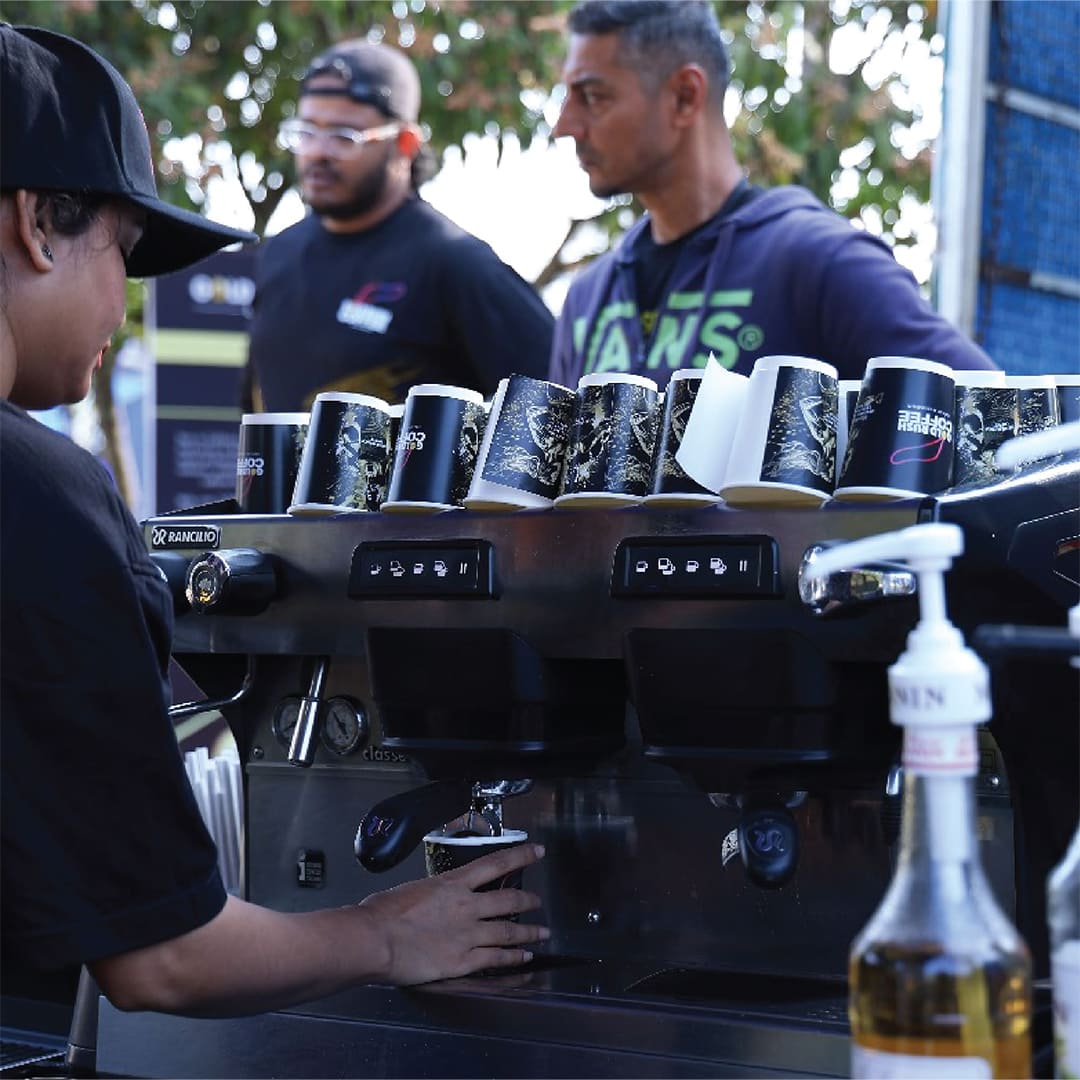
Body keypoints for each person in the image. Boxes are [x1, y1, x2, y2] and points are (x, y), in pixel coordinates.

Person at [0, 23, 548, 1018]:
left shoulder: (455, 265)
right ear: (38, 223)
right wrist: (387, 932)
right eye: (126, 253)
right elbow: (163, 960)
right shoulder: (41, 502)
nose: (124, 302)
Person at [547, 0, 999, 390]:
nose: (564, 126)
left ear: (685, 96)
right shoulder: (588, 297)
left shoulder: (819, 260)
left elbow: (998, 416)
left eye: (593, 97)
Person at [243, 38, 555, 412]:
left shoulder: (455, 263)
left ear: (405, 143)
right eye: (306, 132)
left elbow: (549, 404)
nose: (318, 151)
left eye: (344, 136)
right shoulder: (278, 254)